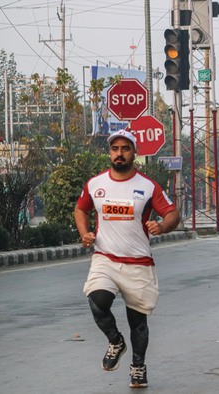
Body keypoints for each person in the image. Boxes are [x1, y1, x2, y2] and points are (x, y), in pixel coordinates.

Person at [74, 130, 180, 389]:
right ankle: (115, 340)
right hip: (105, 258)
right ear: (109, 153)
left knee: (138, 322)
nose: (119, 153)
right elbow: (80, 208)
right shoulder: (96, 184)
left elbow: (172, 213)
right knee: (97, 299)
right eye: (115, 148)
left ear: (134, 153)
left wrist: (162, 227)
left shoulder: (148, 186)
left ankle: (138, 366)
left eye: (125, 148)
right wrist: (85, 233)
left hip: (138, 263)